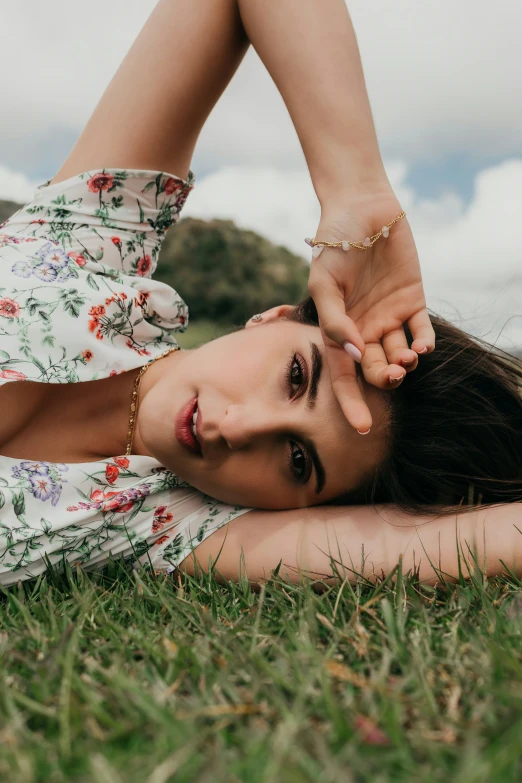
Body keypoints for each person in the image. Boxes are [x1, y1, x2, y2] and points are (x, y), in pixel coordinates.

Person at [0, 0, 520, 588]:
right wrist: (355, 191)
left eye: (298, 462)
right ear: (271, 318)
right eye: (297, 376)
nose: (238, 427)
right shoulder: (88, 245)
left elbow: (461, 540)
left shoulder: (150, 521)